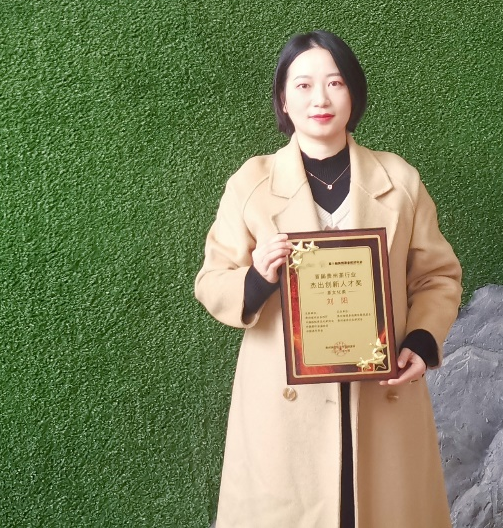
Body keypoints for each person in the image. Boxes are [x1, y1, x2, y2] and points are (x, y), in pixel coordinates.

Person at [195, 31, 462, 528]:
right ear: (283, 99)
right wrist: (257, 277)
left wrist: (422, 340)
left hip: (382, 393)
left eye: (335, 83)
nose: (320, 98)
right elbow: (212, 280)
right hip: (285, 408)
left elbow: (436, 275)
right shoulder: (251, 183)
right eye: (303, 85)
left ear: (354, 94)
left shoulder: (399, 179)